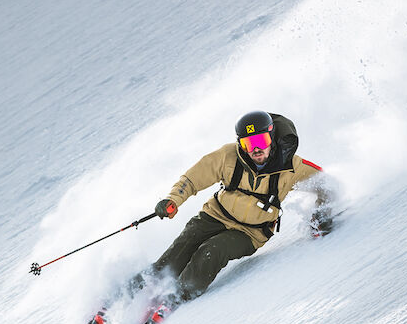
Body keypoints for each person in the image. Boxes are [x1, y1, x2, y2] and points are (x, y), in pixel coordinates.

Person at [128, 110, 334, 308]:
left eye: (261, 141)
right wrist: (172, 200)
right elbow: (191, 179)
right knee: (179, 250)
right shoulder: (228, 156)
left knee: (212, 251)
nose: (256, 149)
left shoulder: (292, 167)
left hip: (250, 232)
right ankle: (131, 292)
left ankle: (179, 294)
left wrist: (321, 212)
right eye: (249, 143)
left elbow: (326, 184)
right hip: (215, 215)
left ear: (271, 137)